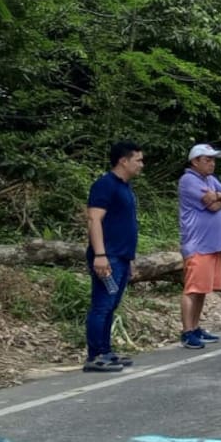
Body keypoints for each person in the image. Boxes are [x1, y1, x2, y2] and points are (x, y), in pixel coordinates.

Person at [84, 141, 144, 372]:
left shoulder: (124, 187)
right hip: (107, 258)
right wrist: (100, 254)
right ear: (123, 160)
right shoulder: (104, 185)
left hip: (121, 258)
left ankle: (106, 351)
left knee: (111, 306)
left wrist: (130, 260)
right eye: (138, 160)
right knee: (102, 305)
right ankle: (95, 356)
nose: (141, 165)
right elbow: (94, 219)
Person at [178, 143, 221, 349]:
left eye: (213, 160)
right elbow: (211, 206)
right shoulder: (188, 180)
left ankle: (195, 327)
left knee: (202, 289)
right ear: (194, 161)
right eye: (207, 160)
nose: (212, 164)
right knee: (192, 289)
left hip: (211, 245)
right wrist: (219, 199)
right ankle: (186, 332)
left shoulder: (209, 180)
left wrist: (218, 197)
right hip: (197, 244)